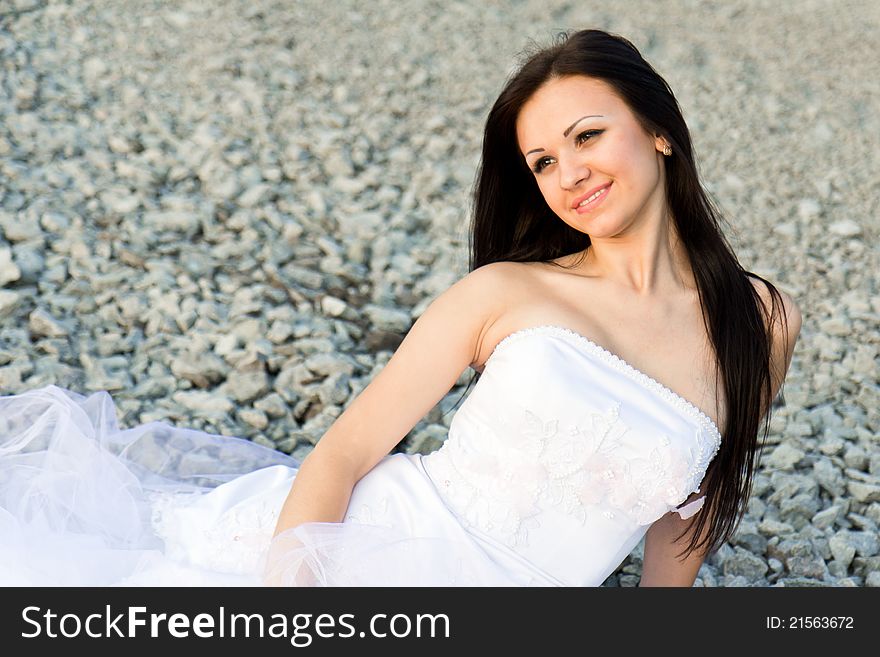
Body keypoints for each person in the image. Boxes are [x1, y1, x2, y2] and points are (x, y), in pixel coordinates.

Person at [0, 29, 800, 587]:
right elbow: (342, 456)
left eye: (589, 136)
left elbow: (690, 513)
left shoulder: (758, 319)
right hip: (359, 561)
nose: (570, 174)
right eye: (544, 160)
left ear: (659, 131)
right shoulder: (506, 292)